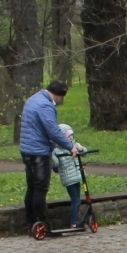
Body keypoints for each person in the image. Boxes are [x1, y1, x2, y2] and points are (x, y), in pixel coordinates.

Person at [19, 79, 80, 231]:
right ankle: (40, 223)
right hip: (38, 152)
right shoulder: (45, 105)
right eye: (61, 98)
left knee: (31, 188)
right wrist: (70, 146)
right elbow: (53, 131)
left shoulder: (33, 99)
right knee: (40, 188)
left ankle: (30, 223)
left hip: (26, 150)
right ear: (58, 95)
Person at [53, 124, 85, 229]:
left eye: (72, 135)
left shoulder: (73, 145)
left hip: (77, 176)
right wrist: (53, 157)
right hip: (68, 178)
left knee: (78, 200)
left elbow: (84, 151)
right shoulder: (57, 150)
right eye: (68, 136)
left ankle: (75, 220)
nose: (71, 138)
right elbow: (55, 164)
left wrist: (81, 149)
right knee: (75, 200)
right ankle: (74, 222)